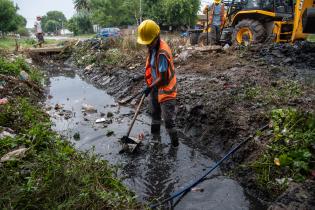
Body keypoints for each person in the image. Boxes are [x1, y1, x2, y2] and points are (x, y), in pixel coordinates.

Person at [137, 20, 179, 147]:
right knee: (154, 113)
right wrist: (148, 83)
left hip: (166, 88)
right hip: (155, 86)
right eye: (146, 43)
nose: (147, 46)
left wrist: (149, 87)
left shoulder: (162, 52)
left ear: (157, 37)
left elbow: (164, 78)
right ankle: (155, 138)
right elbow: (152, 68)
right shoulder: (152, 47)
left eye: (149, 43)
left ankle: (175, 146)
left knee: (168, 120)